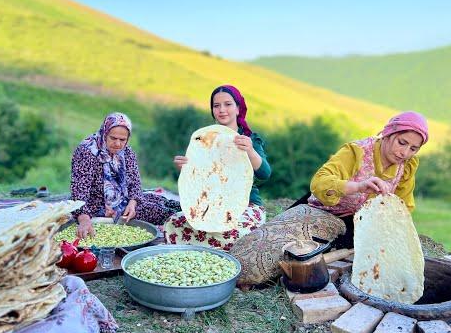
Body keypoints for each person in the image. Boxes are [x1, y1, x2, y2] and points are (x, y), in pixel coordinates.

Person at [230, 110, 430, 287]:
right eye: (402, 143)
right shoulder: (356, 152)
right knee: (260, 255)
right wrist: (358, 186)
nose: (405, 152)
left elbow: (404, 205)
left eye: (413, 148)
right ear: (388, 134)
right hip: (324, 209)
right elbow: (319, 182)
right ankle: (238, 272)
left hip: (360, 224)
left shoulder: (408, 166)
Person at [163, 84, 271, 251]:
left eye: (228, 104)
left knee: (233, 234)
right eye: (216, 105)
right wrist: (186, 169)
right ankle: (207, 251)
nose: (222, 110)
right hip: (210, 205)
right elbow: (202, 178)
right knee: (172, 224)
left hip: (246, 205)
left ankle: (202, 249)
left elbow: (265, 173)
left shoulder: (249, 139)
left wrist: (249, 150)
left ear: (238, 108)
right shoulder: (204, 138)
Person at [71, 112, 181, 239]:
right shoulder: (87, 152)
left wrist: (132, 204)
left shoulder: (127, 152)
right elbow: (79, 191)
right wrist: (84, 220)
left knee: (165, 202)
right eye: (113, 138)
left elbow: (135, 183)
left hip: (124, 201)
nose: (117, 144)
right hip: (98, 207)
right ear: (104, 133)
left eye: (122, 140)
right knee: (165, 213)